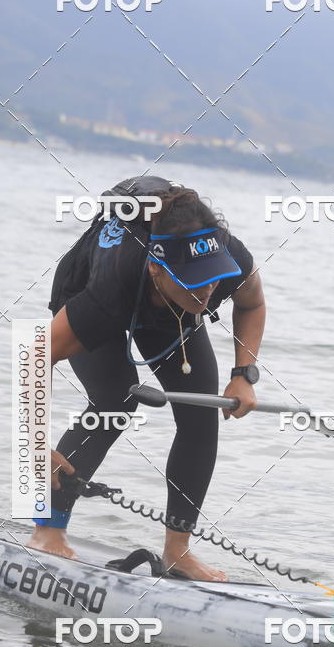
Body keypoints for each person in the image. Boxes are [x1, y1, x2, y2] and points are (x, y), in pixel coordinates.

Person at [27, 175, 265, 582]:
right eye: (195, 278)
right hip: (92, 287)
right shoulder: (110, 289)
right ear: (157, 267)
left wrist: (244, 374)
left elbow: (253, 302)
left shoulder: (226, 262)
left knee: (199, 412)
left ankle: (178, 553)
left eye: (211, 276)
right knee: (115, 399)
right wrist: (32, 446)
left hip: (169, 309)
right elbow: (33, 356)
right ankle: (47, 531)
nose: (208, 289)